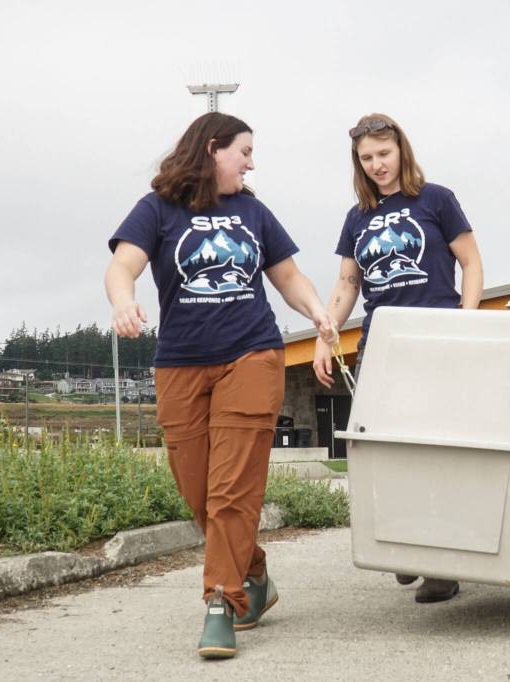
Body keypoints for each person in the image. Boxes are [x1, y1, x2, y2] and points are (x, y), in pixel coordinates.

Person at [105, 112, 336, 659]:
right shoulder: (156, 209)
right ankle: (253, 572)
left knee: (231, 487)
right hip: (181, 362)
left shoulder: (253, 211)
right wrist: (122, 301)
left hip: (252, 355)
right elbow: (123, 265)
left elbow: (288, 277)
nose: (252, 162)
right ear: (213, 149)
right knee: (197, 490)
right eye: (245, 151)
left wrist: (318, 310)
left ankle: (220, 603)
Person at [312, 113, 484, 604]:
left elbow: (471, 263)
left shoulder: (436, 199)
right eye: (367, 159)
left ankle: (440, 564)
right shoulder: (357, 217)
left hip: (438, 332)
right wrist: (326, 334)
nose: (376, 165)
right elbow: (348, 284)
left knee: (437, 448)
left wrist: (466, 322)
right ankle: (406, 545)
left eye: (383, 154)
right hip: (381, 341)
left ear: (401, 151)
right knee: (384, 448)